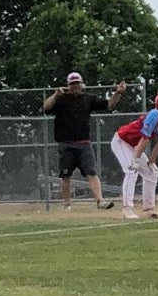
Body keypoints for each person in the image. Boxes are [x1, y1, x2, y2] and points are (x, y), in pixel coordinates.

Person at [41, 73, 126, 210]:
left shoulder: (88, 99)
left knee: (91, 172)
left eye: (77, 83)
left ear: (82, 84)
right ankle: (67, 205)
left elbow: (109, 104)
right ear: (68, 85)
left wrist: (118, 93)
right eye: (72, 84)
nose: (75, 86)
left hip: (84, 143)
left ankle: (100, 201)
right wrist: (56, 95)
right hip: (66, 144)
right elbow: (46, 107)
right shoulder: (61, 99)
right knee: (65, 175)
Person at [110, 90, 158, 220]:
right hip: (122, 141)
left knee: (151, 171)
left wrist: (152, 159)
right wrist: (136, 159)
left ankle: (149, 209)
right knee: (132, 170)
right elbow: (145, 138)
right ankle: (127, 209)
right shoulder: (154, 114)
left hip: (134, 146)